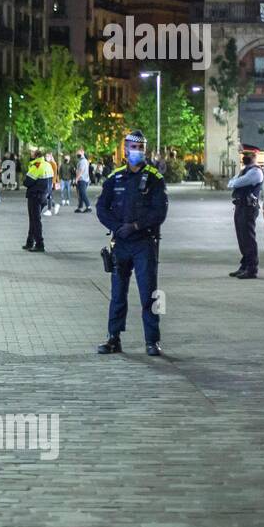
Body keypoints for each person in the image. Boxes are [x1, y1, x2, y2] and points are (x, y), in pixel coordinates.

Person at [96, 129, 169, 357]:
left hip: (144, 243)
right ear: (125, 149)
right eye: (133, 147)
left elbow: (160, 211)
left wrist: (137, 226)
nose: (136, 151)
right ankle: (113, 337)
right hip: (121, 243)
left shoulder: (155, 179)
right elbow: (101, 208)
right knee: (118, 294)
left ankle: (153, 340)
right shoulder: (115, 177)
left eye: (140, 148)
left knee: (150, 293)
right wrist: (118, 228)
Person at [227, 149, 264, 279]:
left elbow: (236, 183)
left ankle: (252, 268)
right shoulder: (245, 170)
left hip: (248, 208)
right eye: (244, 155)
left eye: (247, 155)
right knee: (242, 238)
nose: (244, 157)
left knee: (248, 238)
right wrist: (234, 182)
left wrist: (235, 182)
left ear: (254, 156)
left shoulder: (255, 171)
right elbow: (230, 183)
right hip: (240, 206)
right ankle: (244, 265)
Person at [23, 148, 54, 252]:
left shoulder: (36, 165)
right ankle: (29, 242)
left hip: (35, 196)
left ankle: (40, 244)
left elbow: (27, 182)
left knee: (35, 221)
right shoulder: (47, 164)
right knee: (34, 220)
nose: (30, 154)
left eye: (31, 152)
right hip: (44, 196)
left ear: (36, 155)